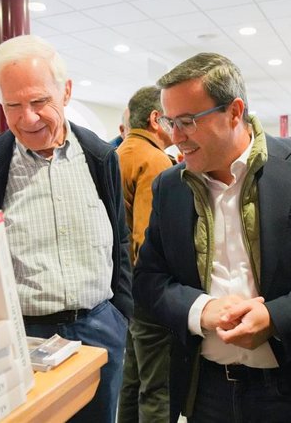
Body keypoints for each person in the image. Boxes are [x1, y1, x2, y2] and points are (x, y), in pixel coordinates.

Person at [133, 52, 291, 422]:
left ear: (234, 111)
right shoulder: (169, 186)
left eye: (188, 121)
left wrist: (275, 316)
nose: (175, 138)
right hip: (204, 390)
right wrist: (201, 310)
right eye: (169, 121)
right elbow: (148, 280)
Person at [0, 34, 132, 423]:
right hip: (21, 338)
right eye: (13, 105)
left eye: (39, 102)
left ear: (65, 92)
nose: (27, 118)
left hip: (99, 328)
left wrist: (122, 315)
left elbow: (121, 238)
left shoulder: (101, 158)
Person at [116, 85, 175, 423]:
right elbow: (146, 239)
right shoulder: (154, 160)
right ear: (156, 119)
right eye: (173, 119)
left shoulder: (119, 153)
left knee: (132, 379)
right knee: (158, 388)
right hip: (147, 293)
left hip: (123, 290)